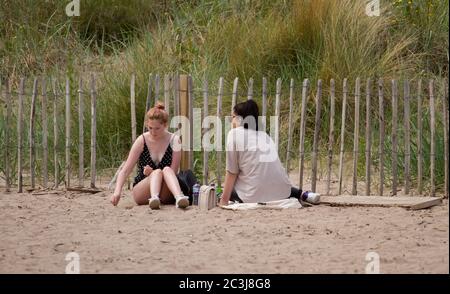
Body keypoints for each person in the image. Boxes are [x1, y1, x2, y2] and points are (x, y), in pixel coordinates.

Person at [219, 99, 320, 206]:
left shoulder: (233, 134)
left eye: (232, 117)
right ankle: (304, 194)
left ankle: (301, 194)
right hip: (282, 193)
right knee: (274, 184)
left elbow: (232, 172)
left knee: (224, 191)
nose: (231, 121)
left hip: (253, 195)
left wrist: (224, 200)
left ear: (239, 119)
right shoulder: (264, 136)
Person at [110, 102, 190, 209]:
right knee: (156, 172)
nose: (153, 132)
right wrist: (117, 192)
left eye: (157, 128)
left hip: (166, 188)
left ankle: (179, 197)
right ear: (147, 124)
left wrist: (152, 172)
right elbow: (125, 171)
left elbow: (173, 171)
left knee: (166, 169)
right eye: (150, 128)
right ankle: (154, 198)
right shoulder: (142, 140)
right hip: (143, 188)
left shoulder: (174, 140)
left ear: (165, 125)